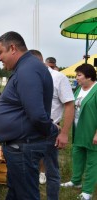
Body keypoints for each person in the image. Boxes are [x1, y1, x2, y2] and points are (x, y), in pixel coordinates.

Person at [0, 31, 59, 200]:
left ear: (13, 48)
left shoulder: (28, 70)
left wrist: (51, 129)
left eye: (0, 52)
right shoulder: (26, 67)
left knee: (26, 195)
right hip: (19, 146)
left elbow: (36, 114)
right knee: (16, 192)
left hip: (23, 147)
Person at [30, 50, 75, 199]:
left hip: (51, 131)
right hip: (31, 132)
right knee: (30, 171)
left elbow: (69, 104)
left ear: (38, 62)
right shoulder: (29, 77)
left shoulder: (59, 77)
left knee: (52, 172)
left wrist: (64, 134)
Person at [61, 64, 97, 200]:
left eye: (79, 75)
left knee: (92, 161)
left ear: (89, 76)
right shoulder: (79, 90)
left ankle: (87, 191)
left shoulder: (96, 89)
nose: (76, 78)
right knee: (77, 156)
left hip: (92, 131)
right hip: (78, 130)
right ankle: (76, 181)